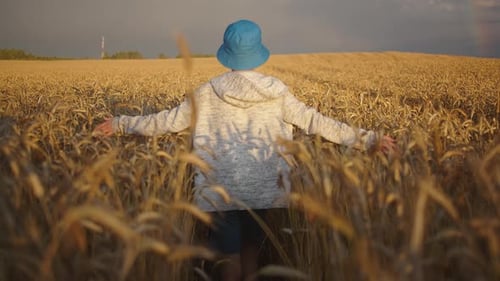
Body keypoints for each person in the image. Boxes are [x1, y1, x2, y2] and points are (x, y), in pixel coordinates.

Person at [93, 19, 396, 281]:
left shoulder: (206, 92)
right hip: (265, 191)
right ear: (258, 52)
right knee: (252, 258)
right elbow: (316, 122)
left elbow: (166, 122)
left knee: (229, 264)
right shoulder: (277, 92)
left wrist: (120, 123)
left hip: (219, 192)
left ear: (226, 54)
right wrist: (367, 140)